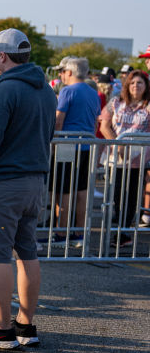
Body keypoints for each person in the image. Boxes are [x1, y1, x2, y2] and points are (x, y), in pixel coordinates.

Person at [0, 29, 56, 349]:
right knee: (27, 252)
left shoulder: (6, 90)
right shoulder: (46, 90)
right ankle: (26, 326)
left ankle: (1, 329)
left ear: (2, 56)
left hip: (4, 182)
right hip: (35, 181)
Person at [50, 56, 101, 247]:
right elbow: (96, 122)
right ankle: (79, 234)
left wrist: (54, 142)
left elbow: (58, 120)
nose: (61, 75)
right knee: (81, 191)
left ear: (69, 72)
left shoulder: (67, 91)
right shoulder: (93, 92)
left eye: (62, 71)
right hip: (87, 145)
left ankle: (61, 234)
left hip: (66, 145)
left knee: (63, 191)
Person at [99, 70, 150, 243]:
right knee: (117, 194)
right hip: (116, 156)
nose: (136, 86)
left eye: (140, 83)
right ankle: (119, 226)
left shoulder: (148, 105)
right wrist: (118, 143)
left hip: (138, 158)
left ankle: (124, 231)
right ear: (127, 86)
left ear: (146, 86)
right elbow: (104, 126)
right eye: (133, 83)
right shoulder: (116, 102)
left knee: (132, 195)